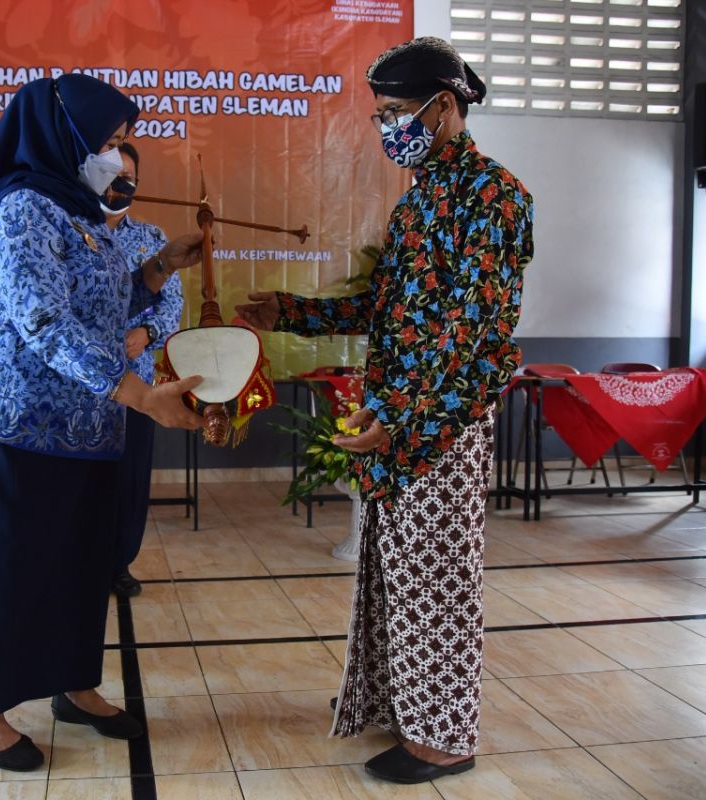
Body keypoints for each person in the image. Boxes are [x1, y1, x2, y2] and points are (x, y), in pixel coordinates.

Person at [237, 37, 534, 785]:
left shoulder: (493, 196)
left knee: (438, 583)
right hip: (397, 417)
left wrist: (402, 418)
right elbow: (388, 307)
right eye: (379, 117)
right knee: (396, 577)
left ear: (446, 105)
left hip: (439, 425)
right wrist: (291, 313)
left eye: (398, 113)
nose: (386, 129)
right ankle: (407, 714)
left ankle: (445, 740)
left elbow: (473, 335)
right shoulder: (423, 197)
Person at [0, 74, 204, 772]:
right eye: (109, 142)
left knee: (84, 561)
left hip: (89, 420)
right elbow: (45, 322)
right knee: (16, 564)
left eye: (123, 145)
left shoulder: (80, 209)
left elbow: (100, 306)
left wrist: (155, 271)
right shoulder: (22, 208)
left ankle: (73, 684)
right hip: (19, 417)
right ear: (65, 136)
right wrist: (142, 396)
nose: (118, 159)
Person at [103, 142, 184, 598]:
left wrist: (148, 334)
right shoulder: (73, 231)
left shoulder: (151, 238)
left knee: (130, 477)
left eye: (129, 175)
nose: (120, 182)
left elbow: (171, 302)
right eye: (111, 171)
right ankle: (82, 559)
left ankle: (119, 562)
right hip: (85, 383)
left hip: (138, 379)